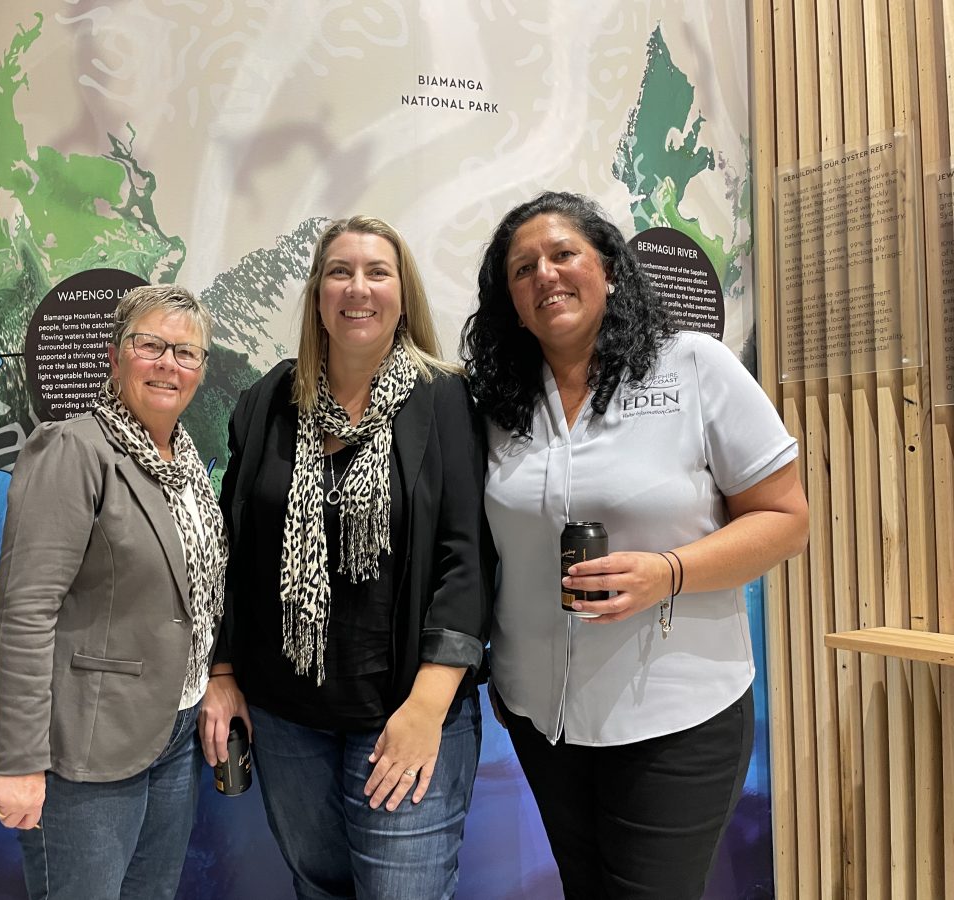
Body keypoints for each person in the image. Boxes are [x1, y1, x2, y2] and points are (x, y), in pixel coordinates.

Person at [460, 191, 809, 899]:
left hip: (676, 715)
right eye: (523, 269)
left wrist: (668, 572)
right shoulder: (497, 402)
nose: (545, 276)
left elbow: (786, 517)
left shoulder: (692, 366)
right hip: (543, 717)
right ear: (512, 302)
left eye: (564, 255)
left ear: (610, 269)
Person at [200, 216, 492, 900]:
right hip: (285, 716)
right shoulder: (268, 399)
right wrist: (221, 667)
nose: (357, 288)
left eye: (376, 272)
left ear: (402, 291)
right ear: (317, 294)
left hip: (408, 713)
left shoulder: (445, 398)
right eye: (340, 271)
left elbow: (467, 558)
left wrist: (427, 706)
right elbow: (232, 550)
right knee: (319, 888)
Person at [0, 284, 230, 900]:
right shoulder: (75, 447)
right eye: (150, 345)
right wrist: (19, 762)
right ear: (116, 355)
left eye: (186, 352)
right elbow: (25, 610)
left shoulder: (185, 461)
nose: (168, 364)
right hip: (87, 745)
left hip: (173, 732)